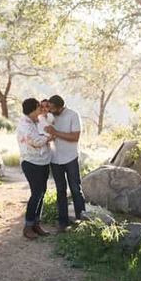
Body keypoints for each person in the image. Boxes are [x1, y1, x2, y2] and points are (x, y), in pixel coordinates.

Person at [45, 94, 87, 233]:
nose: (50, 110)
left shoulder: (73, 115)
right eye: (49, 107)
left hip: (70, 158)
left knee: (75, 190)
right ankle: (63, 223)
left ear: (60, 107)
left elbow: (75, 137)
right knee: (60, 191)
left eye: (52, 108)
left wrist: (56, 132)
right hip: (55, 159)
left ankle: (82, 222)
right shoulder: (49, 116)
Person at [16, 97, 53, 240]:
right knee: (36, 193)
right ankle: (28, 226)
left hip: (43, 161)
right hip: (31, 162)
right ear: (33, 109)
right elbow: (35, 141)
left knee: (42, 193)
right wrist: (49, 138)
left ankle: (37, 224)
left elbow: (44, 133)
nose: (41, 109)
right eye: (39, 106)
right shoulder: (25, 123)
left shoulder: (37, 121)